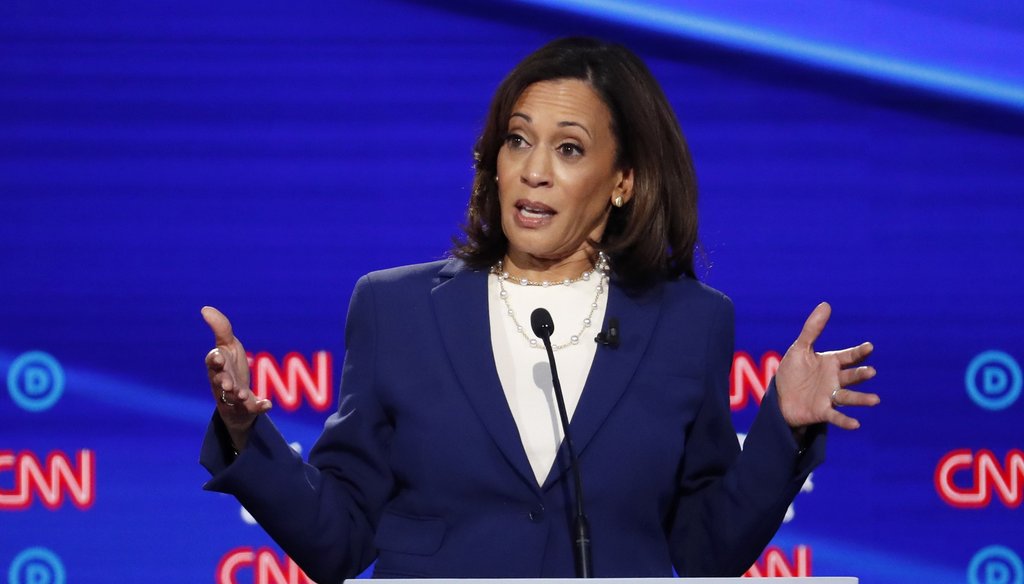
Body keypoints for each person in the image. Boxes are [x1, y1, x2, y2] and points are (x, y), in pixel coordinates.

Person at [200, 37, 879, 583]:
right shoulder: (395, 309)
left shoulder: (688, 323)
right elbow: (336, 541)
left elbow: (706, 552)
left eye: (570, 149)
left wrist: (782, 430)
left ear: (623, 182)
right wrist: (241, 431)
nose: (534, 170)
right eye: (518, 140)